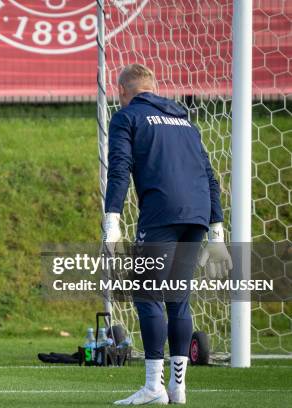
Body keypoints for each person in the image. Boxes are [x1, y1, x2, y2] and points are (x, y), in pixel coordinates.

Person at [103, 64, 232, 405]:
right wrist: (217, 232)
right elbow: (209, 174)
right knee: (178, 299)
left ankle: (153, 387)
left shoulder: (127, 117)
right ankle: (178, 388)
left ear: (122, 91)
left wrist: (112, 223)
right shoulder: (185, 121)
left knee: (147, 296)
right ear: (155, 88)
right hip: (198, 214)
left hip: (162, 212)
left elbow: (119, 168)